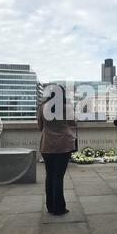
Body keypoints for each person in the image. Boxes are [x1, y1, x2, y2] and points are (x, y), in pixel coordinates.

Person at [38, 85, 76, 215]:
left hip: (47, 144)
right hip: (63, 145)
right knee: (58, 177)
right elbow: (73, 123)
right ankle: (59, 208)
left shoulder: (42, 107)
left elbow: (40, 126)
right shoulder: (66, 107)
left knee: (49, 175)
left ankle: (50, 206)